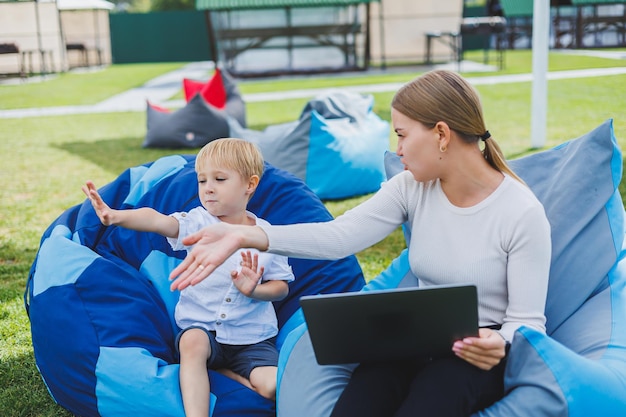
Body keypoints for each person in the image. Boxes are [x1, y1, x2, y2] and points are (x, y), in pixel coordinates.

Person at [167, 70, 552, 416]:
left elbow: (528, 322)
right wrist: (242, 234)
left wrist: (498, 342)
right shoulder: (412, 187)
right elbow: (338, 237)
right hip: (414, 339)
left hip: (475, 354)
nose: (396, 149)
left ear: (441, 134)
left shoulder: (520, 213)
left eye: (402, 135)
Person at [82, 138, 294, 417]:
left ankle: (224, 374)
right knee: (192, 342)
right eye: (202, 180)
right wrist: (117, 216)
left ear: (250, 185)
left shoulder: (266, 235)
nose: (208, 189)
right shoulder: (199, 221)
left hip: (252, 340)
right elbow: (159, 220)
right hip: (202, 331)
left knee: (271, 388)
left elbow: (281, 288)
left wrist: (254, 290)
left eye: (219, 179)